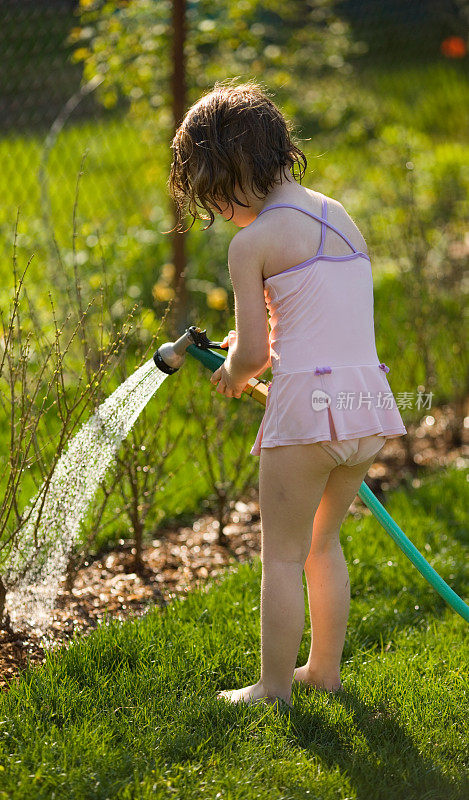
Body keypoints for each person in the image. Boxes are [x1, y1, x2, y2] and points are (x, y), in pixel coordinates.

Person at [168, 80, 407, 709]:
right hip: (364, 409)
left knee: (281, 557)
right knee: (323, 544)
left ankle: (273, 689)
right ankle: (323, 671)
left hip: (305, 416)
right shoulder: (339, 214)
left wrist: (236, 374)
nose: (219, 212)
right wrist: (253, 347)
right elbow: (314, 314)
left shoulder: (252, 243)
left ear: (229, 176)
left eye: (214, 197)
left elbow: (256, 355)